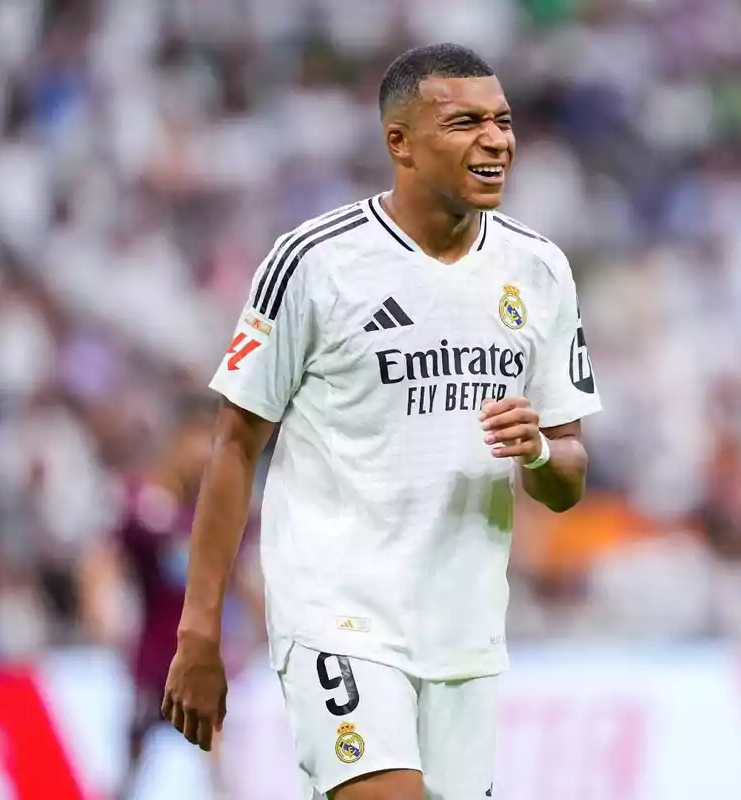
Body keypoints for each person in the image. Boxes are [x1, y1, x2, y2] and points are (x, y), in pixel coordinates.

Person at [162, 43, 600, 799]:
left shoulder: (539, 270)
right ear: (399, 141)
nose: (496, 140)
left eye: (502, 120)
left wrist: (536, 452)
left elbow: (568, 478)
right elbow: (235, 445)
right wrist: (198, 629)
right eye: (465, 122)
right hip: (340, 615)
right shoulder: (315, 262)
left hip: (464, 633)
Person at [79, 397, 262, 800]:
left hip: (202, 658)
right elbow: (102, 560)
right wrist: (102, 608)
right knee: (134, 757)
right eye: (200, 442)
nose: (206, 456)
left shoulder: (221, 508)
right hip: (152, 658)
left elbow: (244, 576)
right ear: (178, 443)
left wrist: (260, 626)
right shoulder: (141, 502)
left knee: (214, 752)